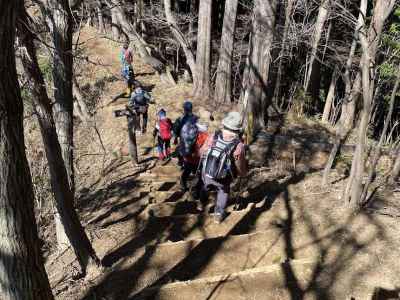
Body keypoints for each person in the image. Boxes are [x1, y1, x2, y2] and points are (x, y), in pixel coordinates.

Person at [200, 111, 248, 223]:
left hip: (206, 173)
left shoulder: (213, 136)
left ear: (224, 124)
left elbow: (202, 151)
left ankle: (201, 204)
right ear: (238, 129)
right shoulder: (238, 145)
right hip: (223, 177)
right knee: (223, 191)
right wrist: (242, 174)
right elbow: (239, 165)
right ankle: (218, 214)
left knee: (205, 186)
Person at [179, 122, 209, 195]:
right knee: (199, 175)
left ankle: (183, 186)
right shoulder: (205, 136)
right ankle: (195, 191)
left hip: (187, 157)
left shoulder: (189, 133)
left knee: (186, 172)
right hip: (198, 159)